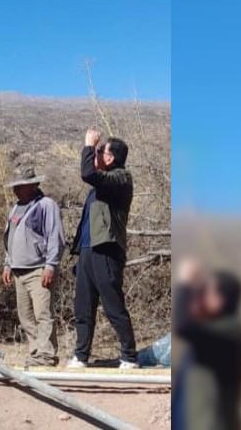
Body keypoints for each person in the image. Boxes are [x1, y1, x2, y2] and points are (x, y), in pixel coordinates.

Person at [68, 129, 138, 369]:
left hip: (107, 250)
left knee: (113, 304)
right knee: (83, 306)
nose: (96, 155)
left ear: (110, 158)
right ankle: (81, 355)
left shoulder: (121, 178)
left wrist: (88, 146)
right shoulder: (99, 185)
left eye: (100, 151)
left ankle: (129, 356)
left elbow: (87, 172)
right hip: (88, 250)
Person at [173, 258, 241, 430]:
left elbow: (183, 326)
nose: (199, 296)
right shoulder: (210, 332)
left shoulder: (233, 332)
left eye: (205, 292)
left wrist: (185, 284)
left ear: (220, 300)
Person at [1, 166, 65, 367]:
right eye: (16, 186)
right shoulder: (15, 208)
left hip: (38, 269)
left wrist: (51, 265)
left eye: (21, 186)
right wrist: (7, 264)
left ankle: (46, 356)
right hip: (19, 270)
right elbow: (10, 238)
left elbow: (55, 237)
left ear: (33, 185)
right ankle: (36, 352)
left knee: (43, 314)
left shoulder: (46, 205)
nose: (16, 190)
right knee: (26, 316)